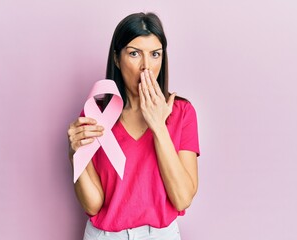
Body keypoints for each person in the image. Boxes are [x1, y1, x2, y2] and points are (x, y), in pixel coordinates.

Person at [67, 12, 200, 240]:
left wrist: (158, 126)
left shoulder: (182, 113)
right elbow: (93, 206)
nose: (146, 66)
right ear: (117, 59)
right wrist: (75, 155)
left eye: (155, 54)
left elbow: (182, 198)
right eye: (134, 53)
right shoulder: (96, 115)